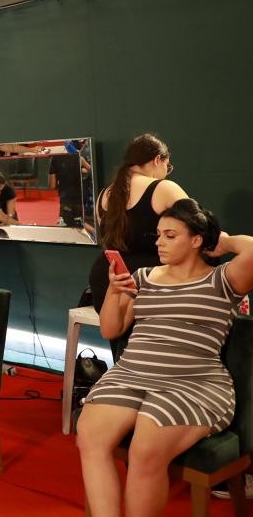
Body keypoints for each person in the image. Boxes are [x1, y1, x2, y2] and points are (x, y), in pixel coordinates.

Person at [76, 199, 253, 517]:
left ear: (196, 240)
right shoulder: (144, 277)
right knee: (90, 436)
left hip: (193, 382)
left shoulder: (223, 279)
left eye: (170, 235)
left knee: (144, 451)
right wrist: (114, 293)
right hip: (131, 373)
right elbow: (110, 329)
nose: (159, 242)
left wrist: (223, 241)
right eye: (158, 235)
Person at [88, 133, 188, 360]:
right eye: (168, 166)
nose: (167, 171)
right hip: (145, 282)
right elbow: (199, 227)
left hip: (107, 279)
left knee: (124, 350)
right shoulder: (164, 188)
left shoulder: (105, 194)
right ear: (157, 160)